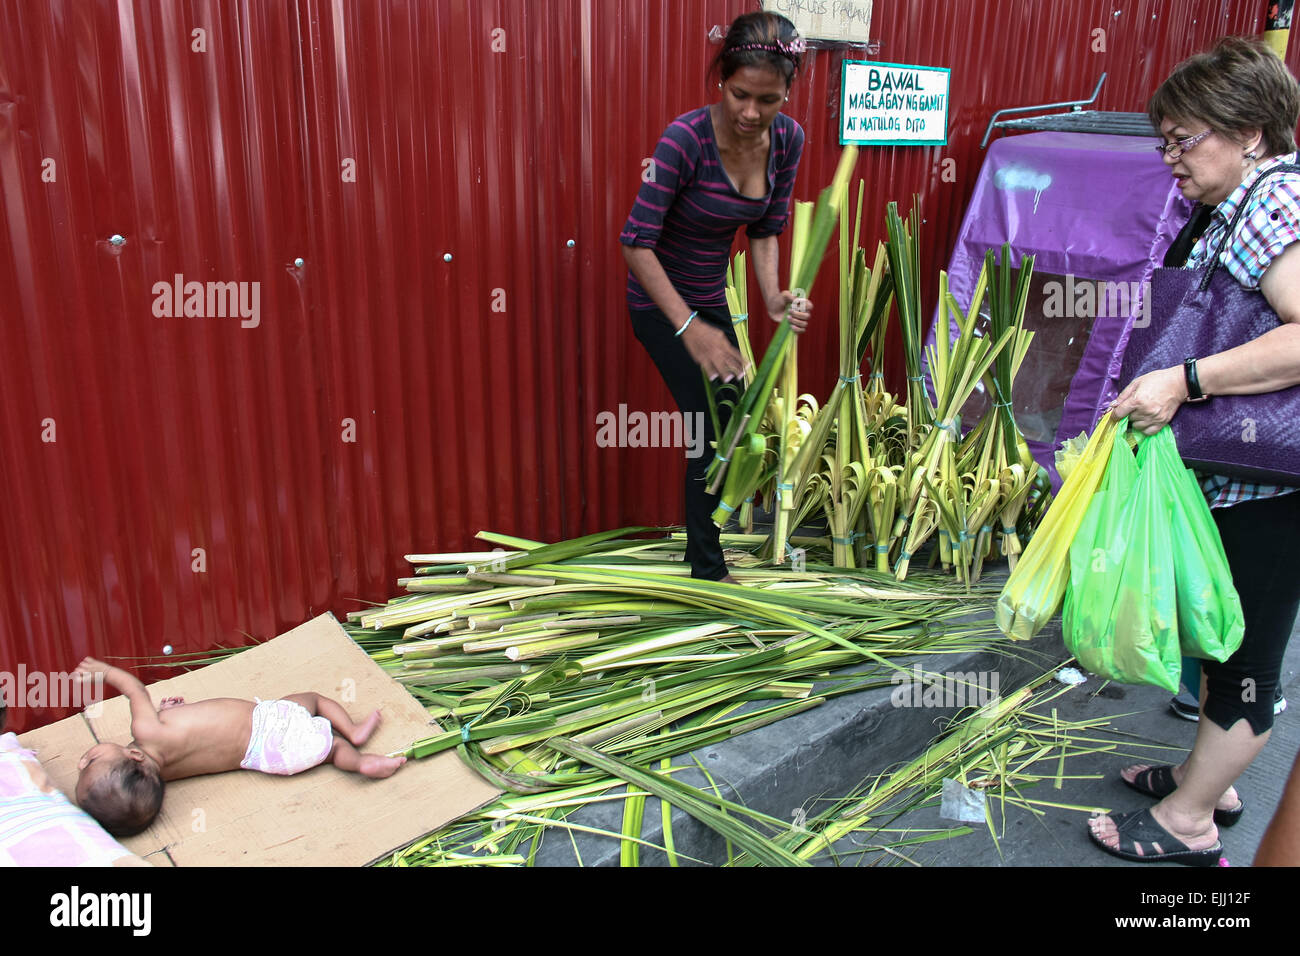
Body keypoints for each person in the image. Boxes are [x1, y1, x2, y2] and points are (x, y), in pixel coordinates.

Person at [1093, 36, 1300, 864]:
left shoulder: (1275, 202)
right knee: (1222, 633)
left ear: (1250, 131)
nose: (1171, 158)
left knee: (1246, 649)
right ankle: (1208, 776)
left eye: (1186, 140)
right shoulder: (1244, 202)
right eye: (1165, 142)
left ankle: (1188, 821)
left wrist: (1183, 380)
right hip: (1245, 475)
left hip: (1273, 482)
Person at [620, 10, 811, 583]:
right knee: (708, 426)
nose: (751, 112)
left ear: (786, 93)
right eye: (739, 94)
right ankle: (708, 568)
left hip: (709, 299)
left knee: (733, 422)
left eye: (768, 99)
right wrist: (689, 328)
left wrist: (774, 297)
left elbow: (764, 228)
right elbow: (635, 243)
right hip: (662, 306)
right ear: (721, 81)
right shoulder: (684, 141)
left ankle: (704, 550)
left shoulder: (788, 142)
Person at [73, 657, 405, 836]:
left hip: (268, 757)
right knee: (313, 700)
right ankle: (355, 732)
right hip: (268, 722)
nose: (82, 761)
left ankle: (356, 762)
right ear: (132, 754)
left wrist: (170, 713)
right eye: (91, 762)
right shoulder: (145, 730)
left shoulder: (159, 775)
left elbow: (188, 745)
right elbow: (134, 690)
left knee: (330, 750)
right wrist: (105, 672)